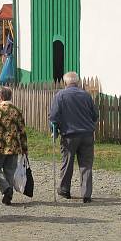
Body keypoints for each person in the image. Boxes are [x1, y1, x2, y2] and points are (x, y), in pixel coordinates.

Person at [49, 71, 99, 203]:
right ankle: (86, 194)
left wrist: (54, 130)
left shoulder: (60, 95)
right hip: (87, 134)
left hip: (69, 135)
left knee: (67, 163)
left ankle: (65, 190)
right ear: (77, 82)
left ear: (65, 82)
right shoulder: (86, 95)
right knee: (86, 165)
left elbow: (54, 116)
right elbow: (95, 115)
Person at [0, 85, 27, 205]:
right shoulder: (17, 111)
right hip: (14, 146)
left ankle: (6, 188)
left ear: (1, 96)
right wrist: (24, 148)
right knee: (9, 171)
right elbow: (22, 131)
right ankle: (8, 196)